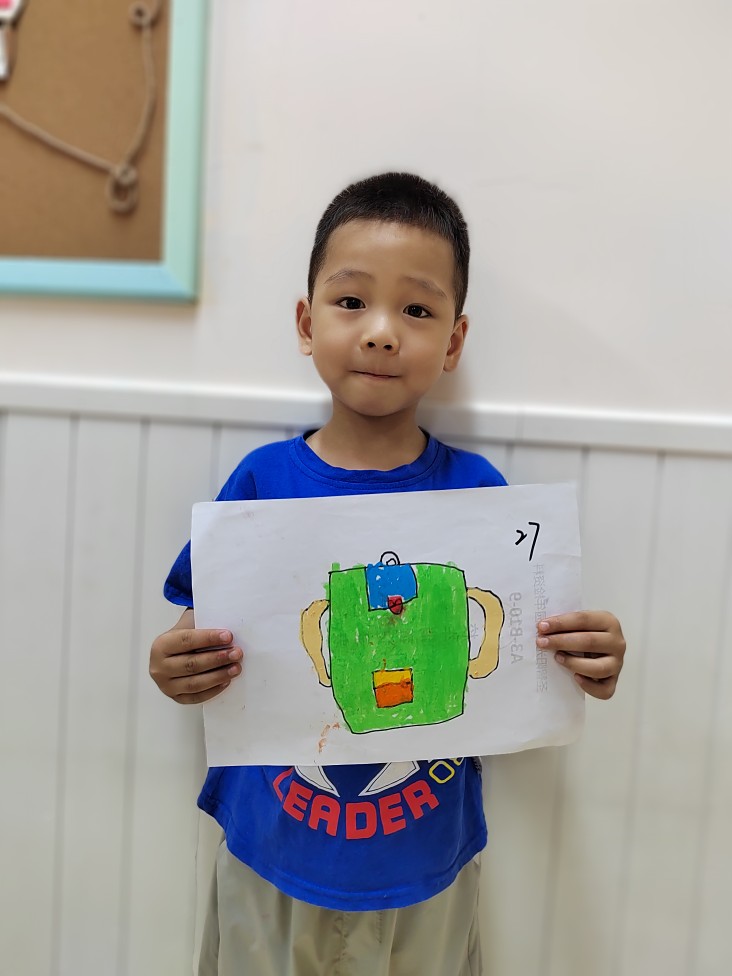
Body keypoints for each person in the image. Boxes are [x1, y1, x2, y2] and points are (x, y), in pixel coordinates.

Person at [149, 172, 626, 976]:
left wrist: (587, 660)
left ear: (454, 342)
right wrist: (174, 663)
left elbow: (530, 659)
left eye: (416, 310)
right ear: (307, 324)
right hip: (270, 854)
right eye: (351, 302)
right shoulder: (261, 482)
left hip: (428, 867)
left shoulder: (479, 496)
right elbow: (199, 634)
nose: (380, 333)